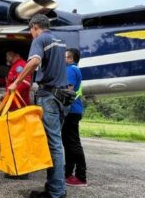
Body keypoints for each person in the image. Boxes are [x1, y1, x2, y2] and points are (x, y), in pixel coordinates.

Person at [9, 14, 67, 198]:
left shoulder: (41, 39)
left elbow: (34, 61)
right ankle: (54, 188)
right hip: (62, 96)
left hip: (49, 95)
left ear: (34, 26)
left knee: (54, 144)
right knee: (55, 144)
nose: (31, 34)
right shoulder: (60, 41)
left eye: (30, 30)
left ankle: (56, 192)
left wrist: (16, 82)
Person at [0, 49, 32, 180]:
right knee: (14, 139)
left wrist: (8, 94)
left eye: (7, 55)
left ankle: (22, 172)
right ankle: (16, 169)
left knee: (19, 140)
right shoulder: (15, 67)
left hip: (18, 108)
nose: (6, 58)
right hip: (12, 109)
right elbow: (9, 81)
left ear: (13, 54)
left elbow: (25, 83)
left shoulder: (21, 66)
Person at [62, 48, 87, 187]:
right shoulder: (75, 69)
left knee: (73, 144)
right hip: (75, 111)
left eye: (65, 57)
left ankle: (81, 176)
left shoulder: (70, 69)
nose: (63, 59)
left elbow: (68, 91)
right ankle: (68, 174)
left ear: (71, 59)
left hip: (71, 111)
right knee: (68, 143)